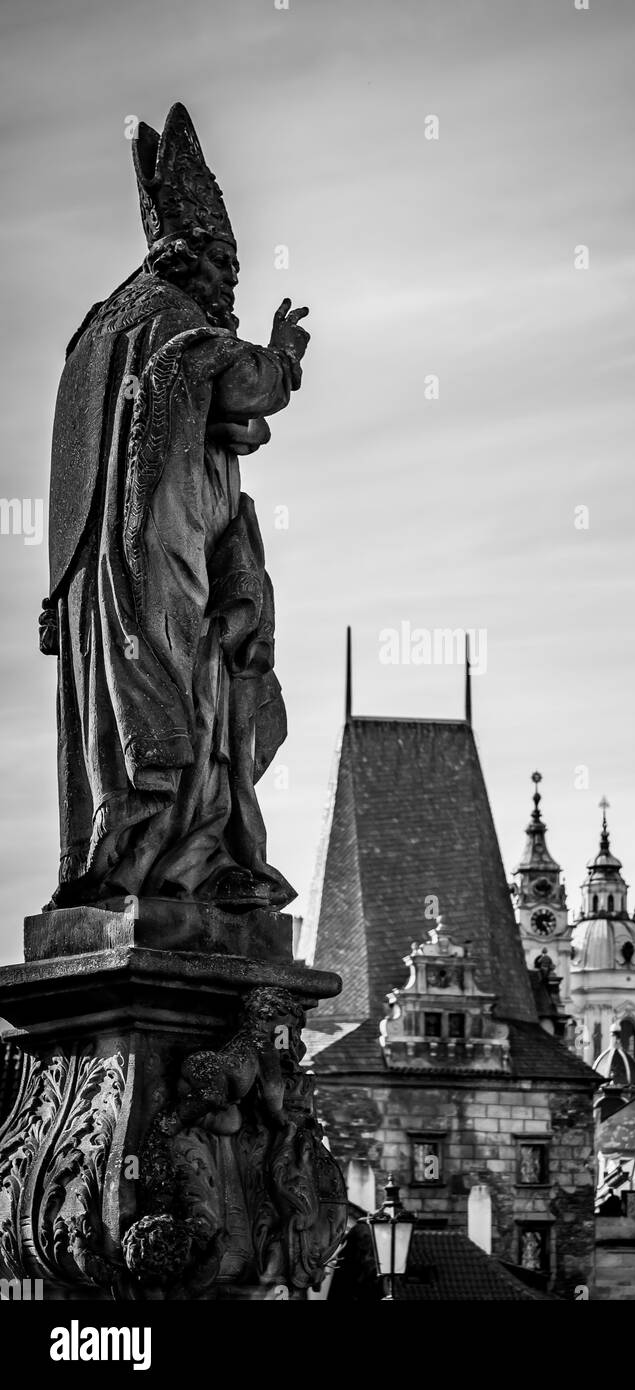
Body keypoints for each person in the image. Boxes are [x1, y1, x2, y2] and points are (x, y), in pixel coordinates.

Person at [42, 104, 309, 912]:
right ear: (197, 259)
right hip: (156, 565)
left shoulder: (99, 335)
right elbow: (240, 385)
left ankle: (121, 863)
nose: (231, 287)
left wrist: (59, 593)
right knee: (186, 705)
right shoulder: (174, 318)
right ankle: (183, 863)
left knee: (124, 728)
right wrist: (285, 357)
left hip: (97, 582)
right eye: (227, 269)